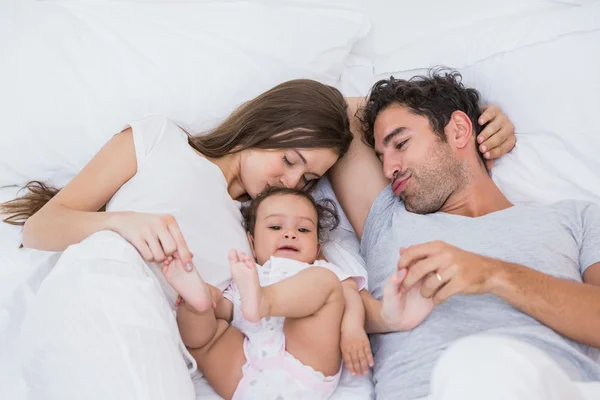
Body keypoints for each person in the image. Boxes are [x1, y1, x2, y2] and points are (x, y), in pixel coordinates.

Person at [1, 77, 514, 399]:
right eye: (290, 160)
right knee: (111, 263)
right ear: (266, 125)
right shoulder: (160, 141)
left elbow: (369, 110)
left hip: (174, 346)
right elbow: (42, 226)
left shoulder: (264, 235)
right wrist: (121, 224)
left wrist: (473, 119)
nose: (291, 182)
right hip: (104, 284)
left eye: (308, 180)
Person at [328, 69, 600, 400]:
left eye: (400, 143)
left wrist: (493, 274)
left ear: (458, 130)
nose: (389, 169)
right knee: (469, 365)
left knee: (475, 363)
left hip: (556, 387)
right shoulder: (388, 220)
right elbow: (335, 110)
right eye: (381, 156)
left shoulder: (576, 219)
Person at [162, 186, 369, 399]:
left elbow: (351, 297)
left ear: (317, 249)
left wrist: (352, 330)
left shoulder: (320, 270)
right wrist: (212, 297)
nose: (290, 234)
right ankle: (198, 302)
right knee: (205, 339)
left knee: (326, 283)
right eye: (276, 226)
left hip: (305, 366)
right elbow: (226, 310)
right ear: (252, 243)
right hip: (244, 371)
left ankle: (264, 301)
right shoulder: (246, 275)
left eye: (304, 230)